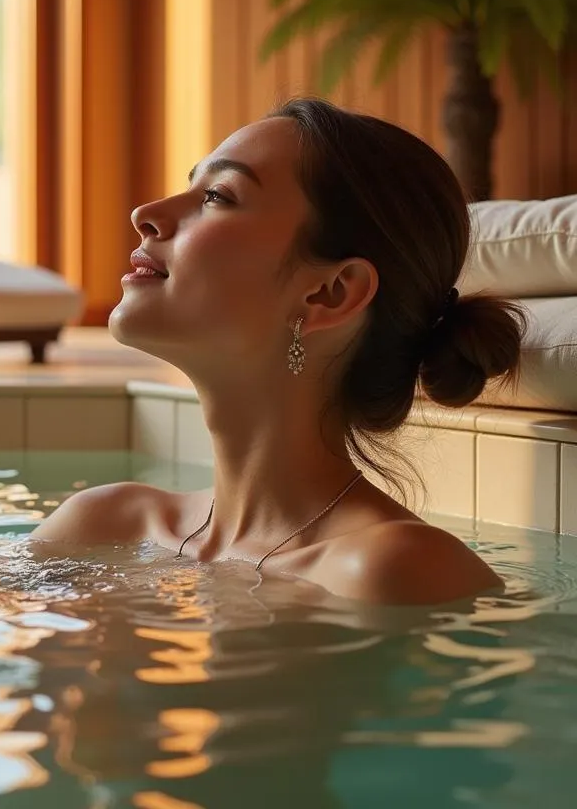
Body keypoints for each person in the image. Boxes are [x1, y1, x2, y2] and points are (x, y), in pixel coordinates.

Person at [32, 98, 526, 605]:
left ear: (329, 293)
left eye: (218, 196)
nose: (145, 214)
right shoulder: (105, 524)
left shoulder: (394, 569)